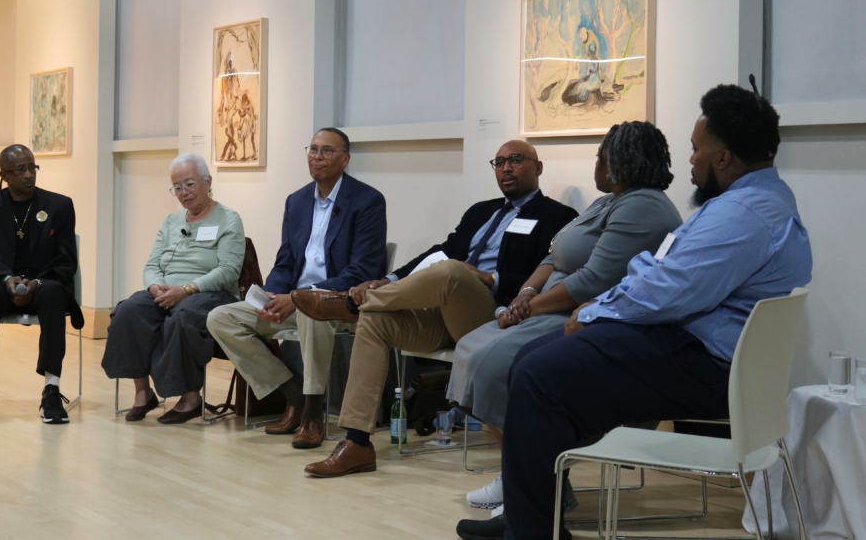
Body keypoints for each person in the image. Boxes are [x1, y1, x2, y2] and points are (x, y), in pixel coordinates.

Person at [455, 84, 813, 540]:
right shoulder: (761, 201)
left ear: (723, 159)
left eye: (696, 150)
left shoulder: (741, 214)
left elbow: (666, 289)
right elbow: (664, 276)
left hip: (705, 360)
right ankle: (532, 515)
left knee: (538, 373)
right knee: (535, 363)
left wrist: (591, 312)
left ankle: (531, 528)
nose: (690, 161)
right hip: (703, 347)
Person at [295, 139, 578, 478]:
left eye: (515, 160)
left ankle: (348, 306)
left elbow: (547, 276)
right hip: (446, 314)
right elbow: (441, 250)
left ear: (538, 167)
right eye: (498, 162)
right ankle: (357, 443)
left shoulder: (558, 217)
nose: (505, 168)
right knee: (376, 318)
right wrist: (387, 278)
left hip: (494, 318)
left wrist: (490, 277)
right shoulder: (481, 211)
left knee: (452, 271)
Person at [452, 122, 683, 512]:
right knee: (468, 347)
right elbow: (552, 254)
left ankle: (533, 484)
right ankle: (524, 476)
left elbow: (594, 280)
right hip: (545, 302)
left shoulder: (644, 205)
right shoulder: (607, 201)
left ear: (619, 161)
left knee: (490, 364)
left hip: (581, 313)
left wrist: (526, 308)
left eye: (600, 155)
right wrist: (524, 293)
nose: (596, 163)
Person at [207, 127, 387, 449]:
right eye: (312, 150)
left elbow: (362, 271)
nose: (317, 157)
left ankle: (313, 414)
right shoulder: (297, 201)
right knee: (221, 318)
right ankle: (293, 394)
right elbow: (286, 261)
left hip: (338, 302)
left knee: (312, 311)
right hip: (292, 300)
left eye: (326, 151)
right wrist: (272, 295)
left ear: (344, 159)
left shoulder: (368, 201)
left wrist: (300, 297)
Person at [101, 153, 245, 424]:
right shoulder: (171, 221)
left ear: (207, 182)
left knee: (182, 318)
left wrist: (187, 289)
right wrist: (154, 286)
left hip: (210, 294)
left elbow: (228, 271)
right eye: (177, 187)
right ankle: (143, 394)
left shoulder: (228, 219)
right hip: (168, 292)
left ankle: (190, 398)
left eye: (190, 184)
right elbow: (152, 264)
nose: (184, 193)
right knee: (128, 311)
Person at [0, 144, 83, 425]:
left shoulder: (59, 205)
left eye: (32, 167)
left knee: (51, 292)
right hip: (1, 284)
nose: (28, 175)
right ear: (4, 174)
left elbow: (66, 261)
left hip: (43, 283)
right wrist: (5, 279)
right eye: (20, 169)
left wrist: (36, 281)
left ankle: (51, 389)